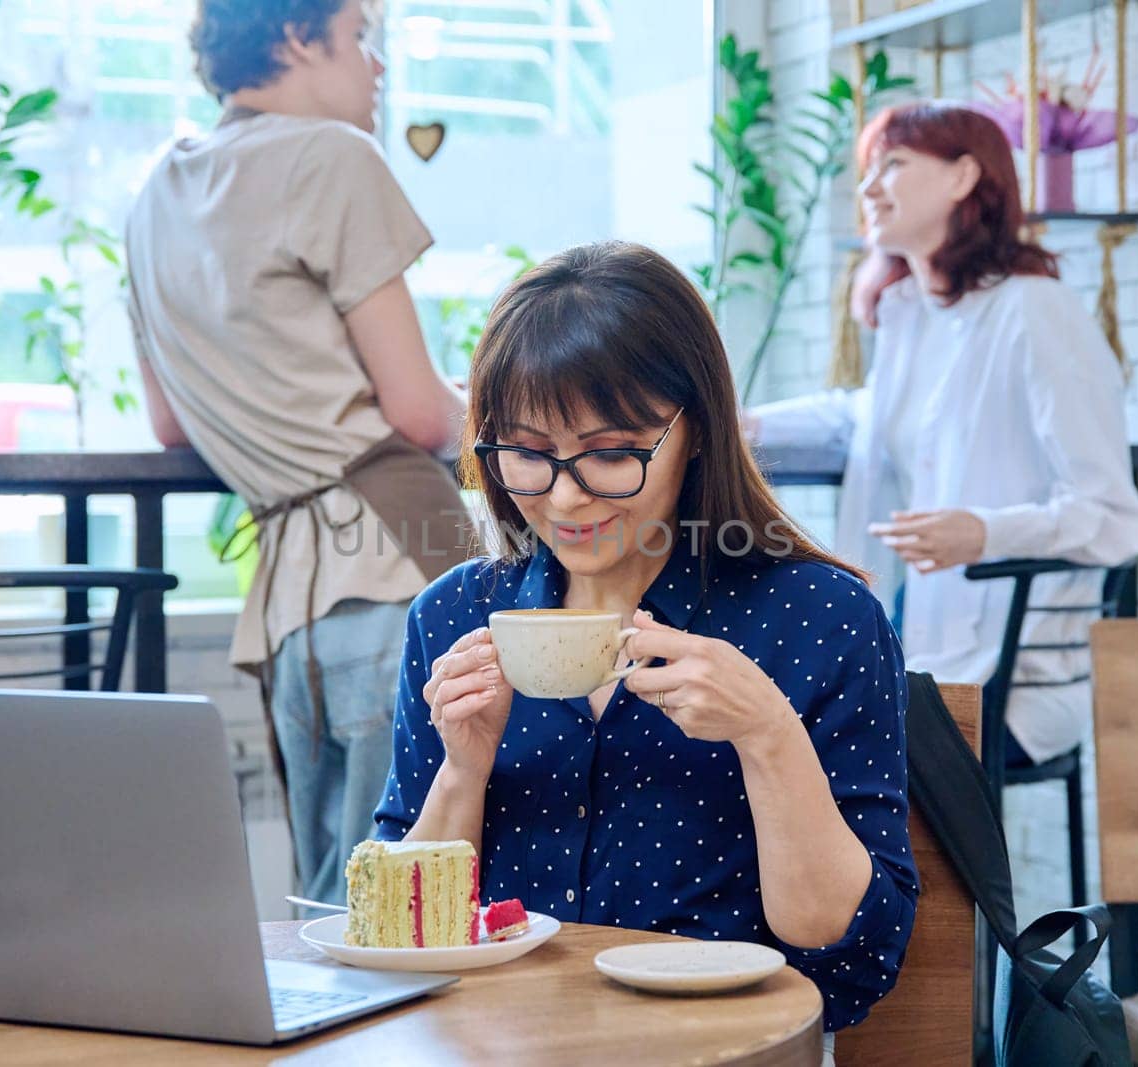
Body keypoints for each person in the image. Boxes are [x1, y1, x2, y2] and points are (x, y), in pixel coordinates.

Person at [375, 241, 917, 1055]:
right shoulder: (454, 615)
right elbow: (400, 933)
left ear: (696, 429)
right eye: (525, 452)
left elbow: (852, 954)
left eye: (609, 452)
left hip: (726, 1049)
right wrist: (463, 769)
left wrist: (768, 733)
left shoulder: (818, 617)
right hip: (498, 1045)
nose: (563, 495)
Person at [125, 0, 469, 905]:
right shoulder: (330, 156)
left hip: (289, 606)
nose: (377, 65)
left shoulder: (155, 193)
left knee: (337, 902)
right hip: (403, 566)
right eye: (361, 36)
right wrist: (553, 435)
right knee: (418, 900)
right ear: (293, 37)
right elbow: (423, 413)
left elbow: (168, 425)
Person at [750, 101, 1138, 768]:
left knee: (793, 748)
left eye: (894, 166)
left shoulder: (1035, 309)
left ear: (965, 176)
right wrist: (739, 423)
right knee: (760, 728)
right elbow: (864, 415)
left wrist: (984, 532)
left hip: (1014, 681)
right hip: (924, 656)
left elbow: (1112, 516)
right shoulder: (913, 315)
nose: (870, 188)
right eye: (866, 171)